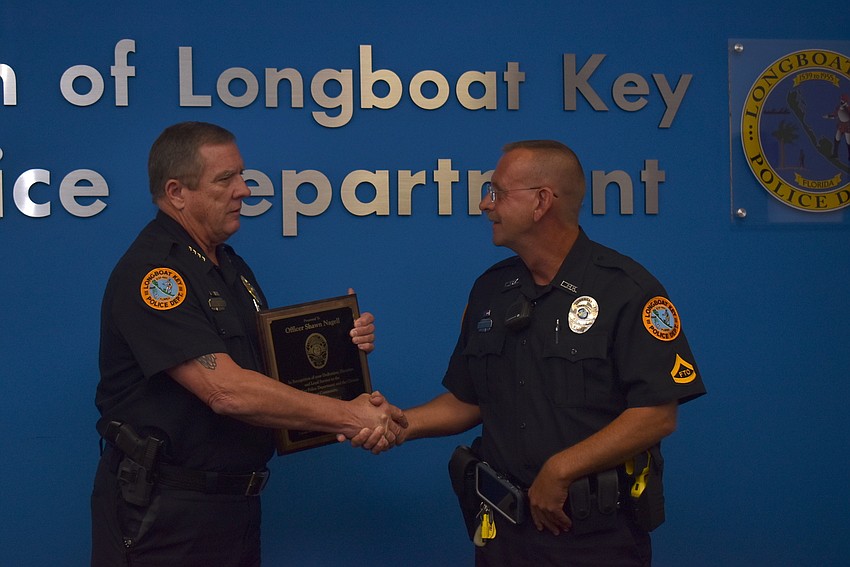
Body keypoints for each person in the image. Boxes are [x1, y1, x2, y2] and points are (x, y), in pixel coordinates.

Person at [357, 140, 706, 566]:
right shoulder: (489, 291)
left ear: (541, 202)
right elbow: (468, 401)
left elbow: (656, 413)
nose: (485, 204)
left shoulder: (626, 290)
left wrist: (561, 470)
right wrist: (400, 423)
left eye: (497, 191)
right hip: (502, 534)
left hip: (593, 540)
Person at [91, 121, 407, 567]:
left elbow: (265, 368)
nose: (244, 190)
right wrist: (352, 416)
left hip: (232, 508)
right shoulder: (157, 276)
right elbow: (226, 391)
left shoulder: (228, 266)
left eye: (242, 175)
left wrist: (341, 345)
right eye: (226, 179)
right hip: (165, 516)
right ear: (177, 192)